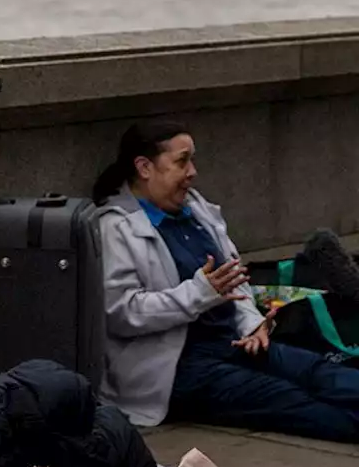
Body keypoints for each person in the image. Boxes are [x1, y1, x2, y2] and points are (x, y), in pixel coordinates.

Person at [93, 120, 359, 442]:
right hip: (178, 366)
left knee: (317, 371)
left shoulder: (196, 208)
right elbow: (121, 312)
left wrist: (251, 323)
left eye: (192, 160)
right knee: (289, 400)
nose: (192, 172)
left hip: (231, 343)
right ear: (144, 167)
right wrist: (198, 293)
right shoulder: (114, 228)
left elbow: (235, 279)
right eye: (181, 161)